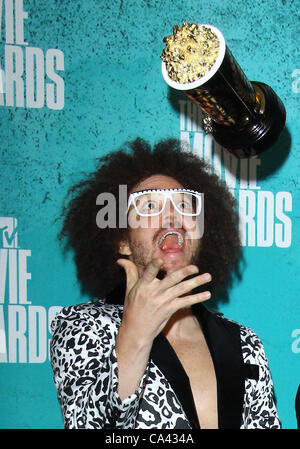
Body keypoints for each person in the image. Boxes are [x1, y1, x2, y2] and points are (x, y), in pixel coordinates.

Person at [50, 138, 281, 429]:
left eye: (183, 205)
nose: (171, 215)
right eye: (148, 206)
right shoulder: (84, 326)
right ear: (122, 240)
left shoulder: (244, 342)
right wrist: (134, 338)